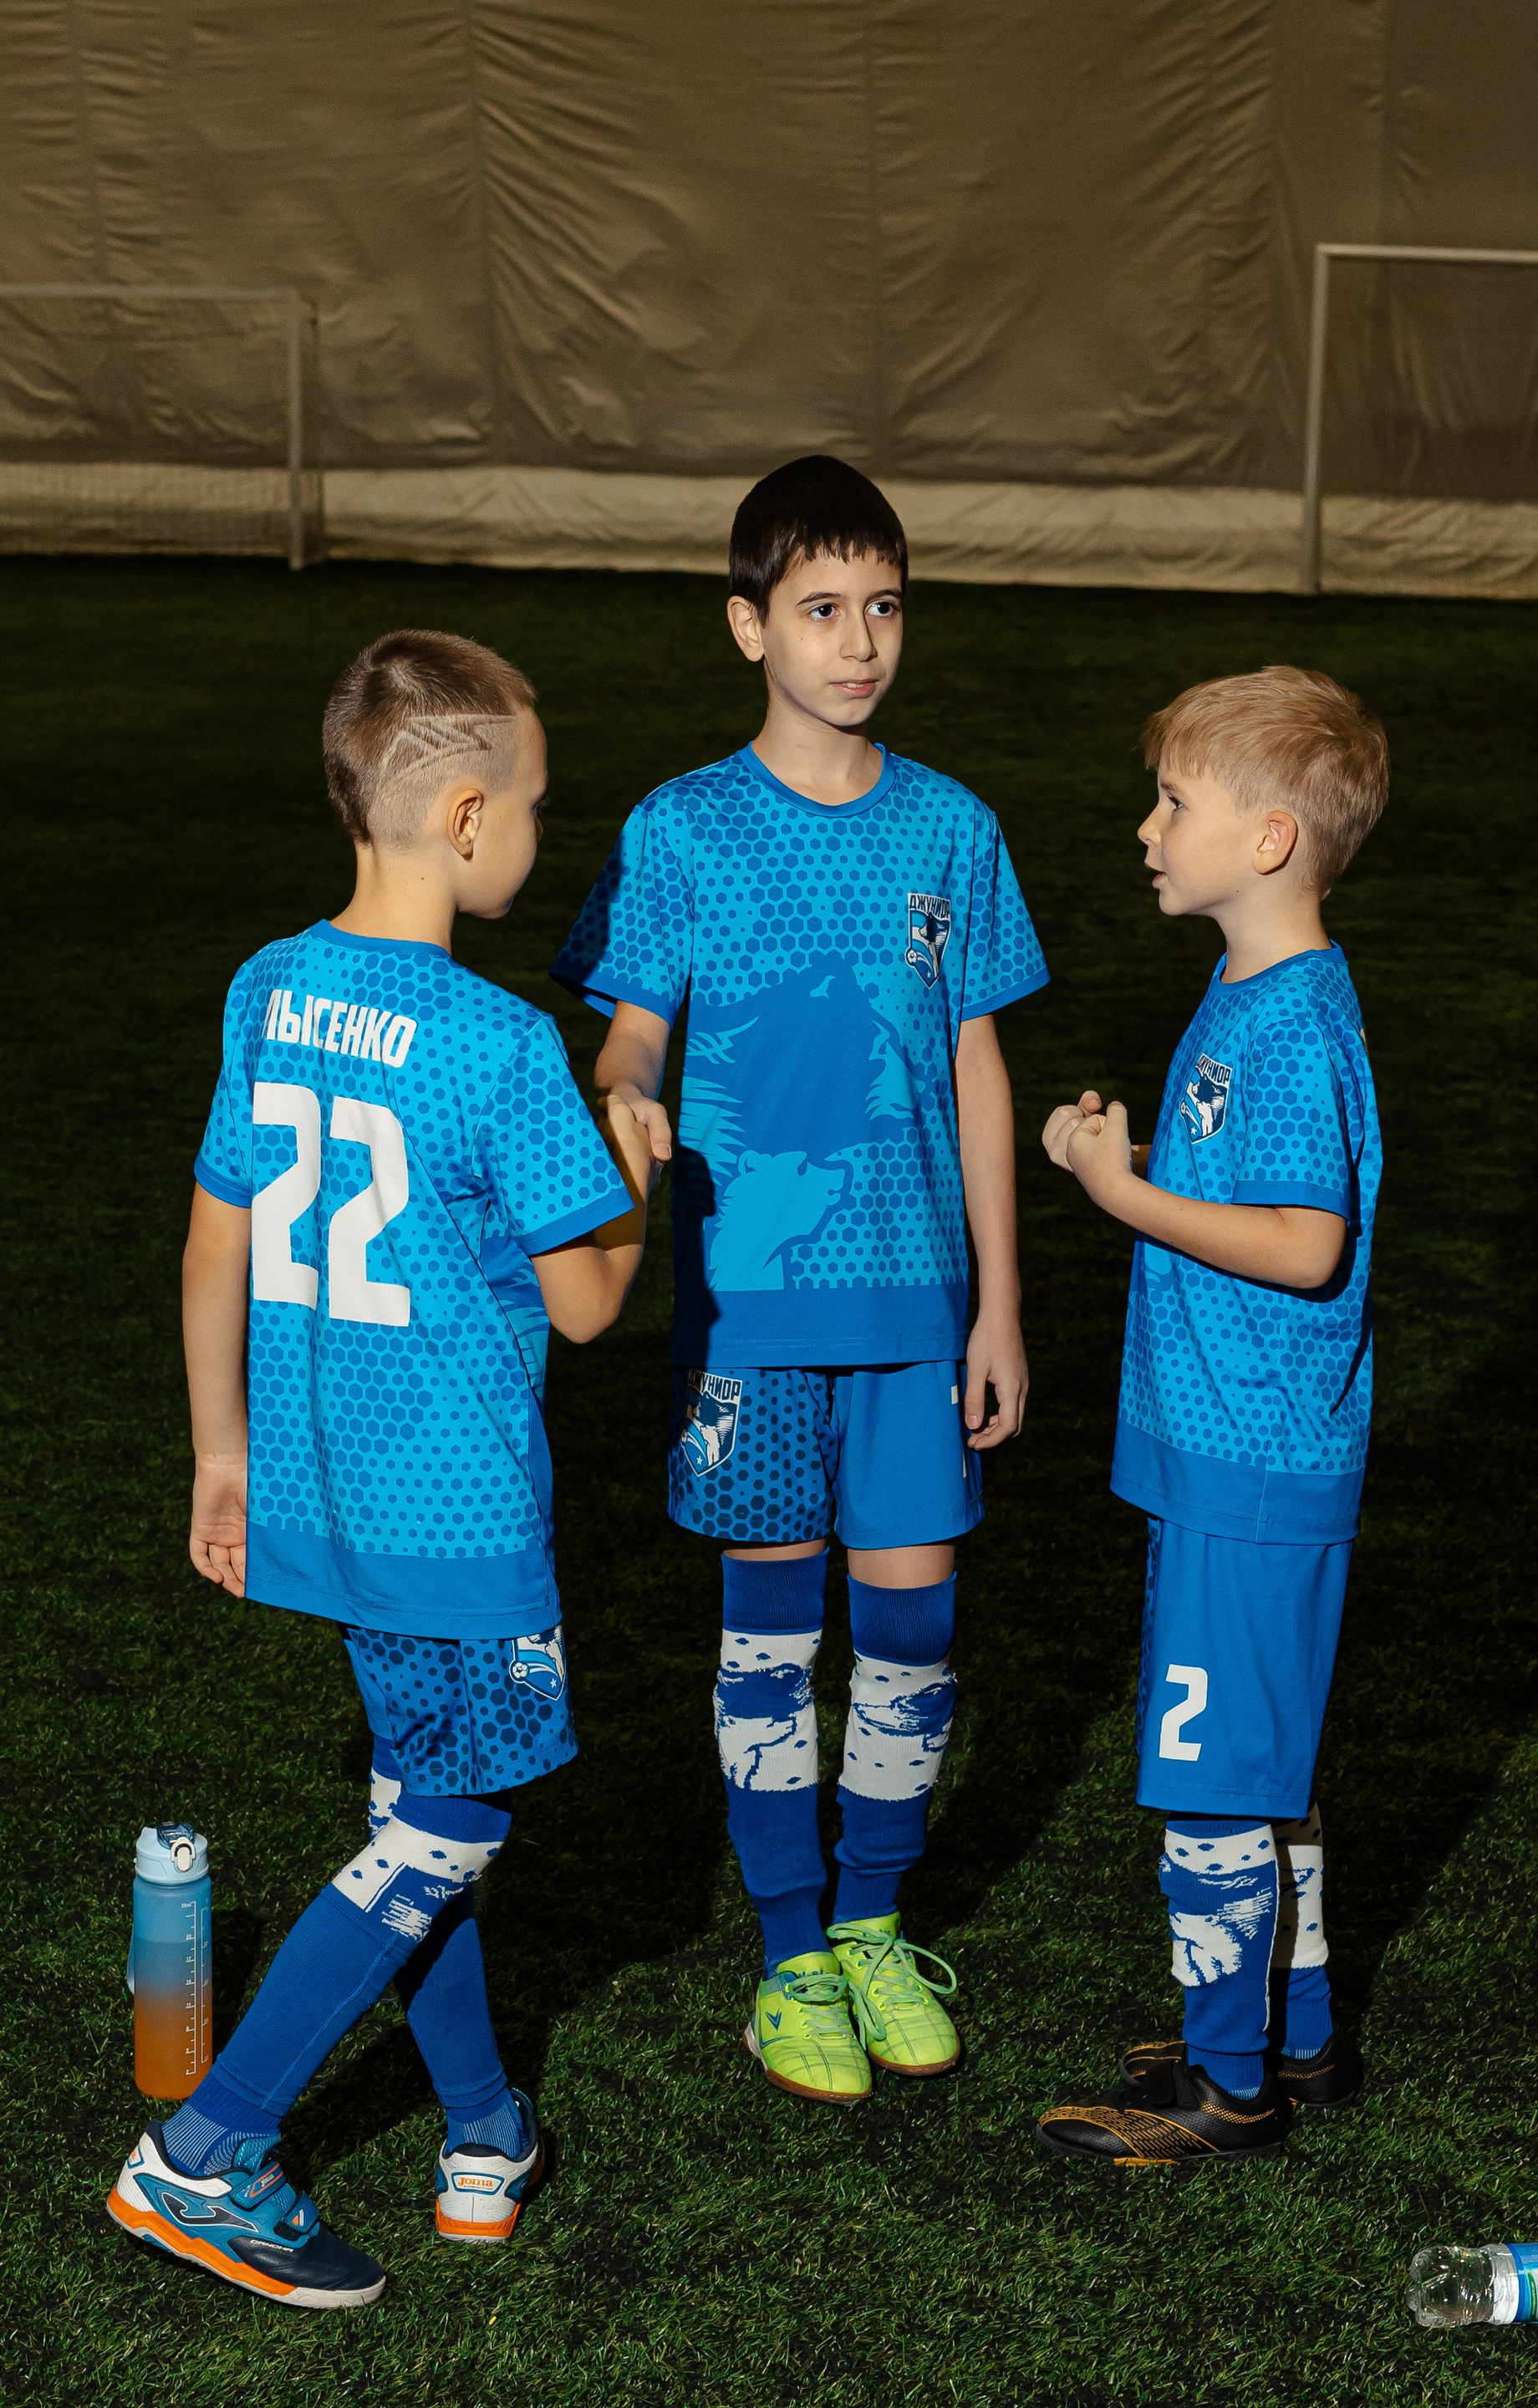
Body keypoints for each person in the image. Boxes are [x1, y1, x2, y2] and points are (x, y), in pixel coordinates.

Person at [107, 630, 654, 2304]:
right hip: (457, 1519)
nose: (540, 833)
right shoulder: (503, 1043)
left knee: (421, 1816)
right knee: (444, 1832)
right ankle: (206, 2152)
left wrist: (221, 1456)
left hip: (327, 1498)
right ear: (469, 818)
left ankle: (484, 2130)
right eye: (537, 805)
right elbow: (590, 1306)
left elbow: (213, 1243)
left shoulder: (266, 987)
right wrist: (639, 1164)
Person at [553, 457, 1049, 2105]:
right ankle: (788, 1955)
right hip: (750, 1311)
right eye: (822, 609)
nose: (860, 641)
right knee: (771, 1638)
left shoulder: (954, 828)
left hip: (917, 1309)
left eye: (884, 606)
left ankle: (871, 1923)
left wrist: (998, 1303)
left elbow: (977, 1069)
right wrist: (624, 1089)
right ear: (747, 626)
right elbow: (633, 1024)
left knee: (912, 1635)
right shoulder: (680, 826)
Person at [1035, 665, 1388, 2167]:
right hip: (1236, 1453)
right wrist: (1127, 1160)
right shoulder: (1259, 987)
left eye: (1176, 802)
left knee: (1211, 1779)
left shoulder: (1292, 1022)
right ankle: (1296, 2037)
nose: (1148, 827)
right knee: (1264, 1767)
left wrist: (1120, 1194)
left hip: (1250, 1465)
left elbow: (1306, 1246)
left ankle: (1228, 2089)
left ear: (1270, 839)